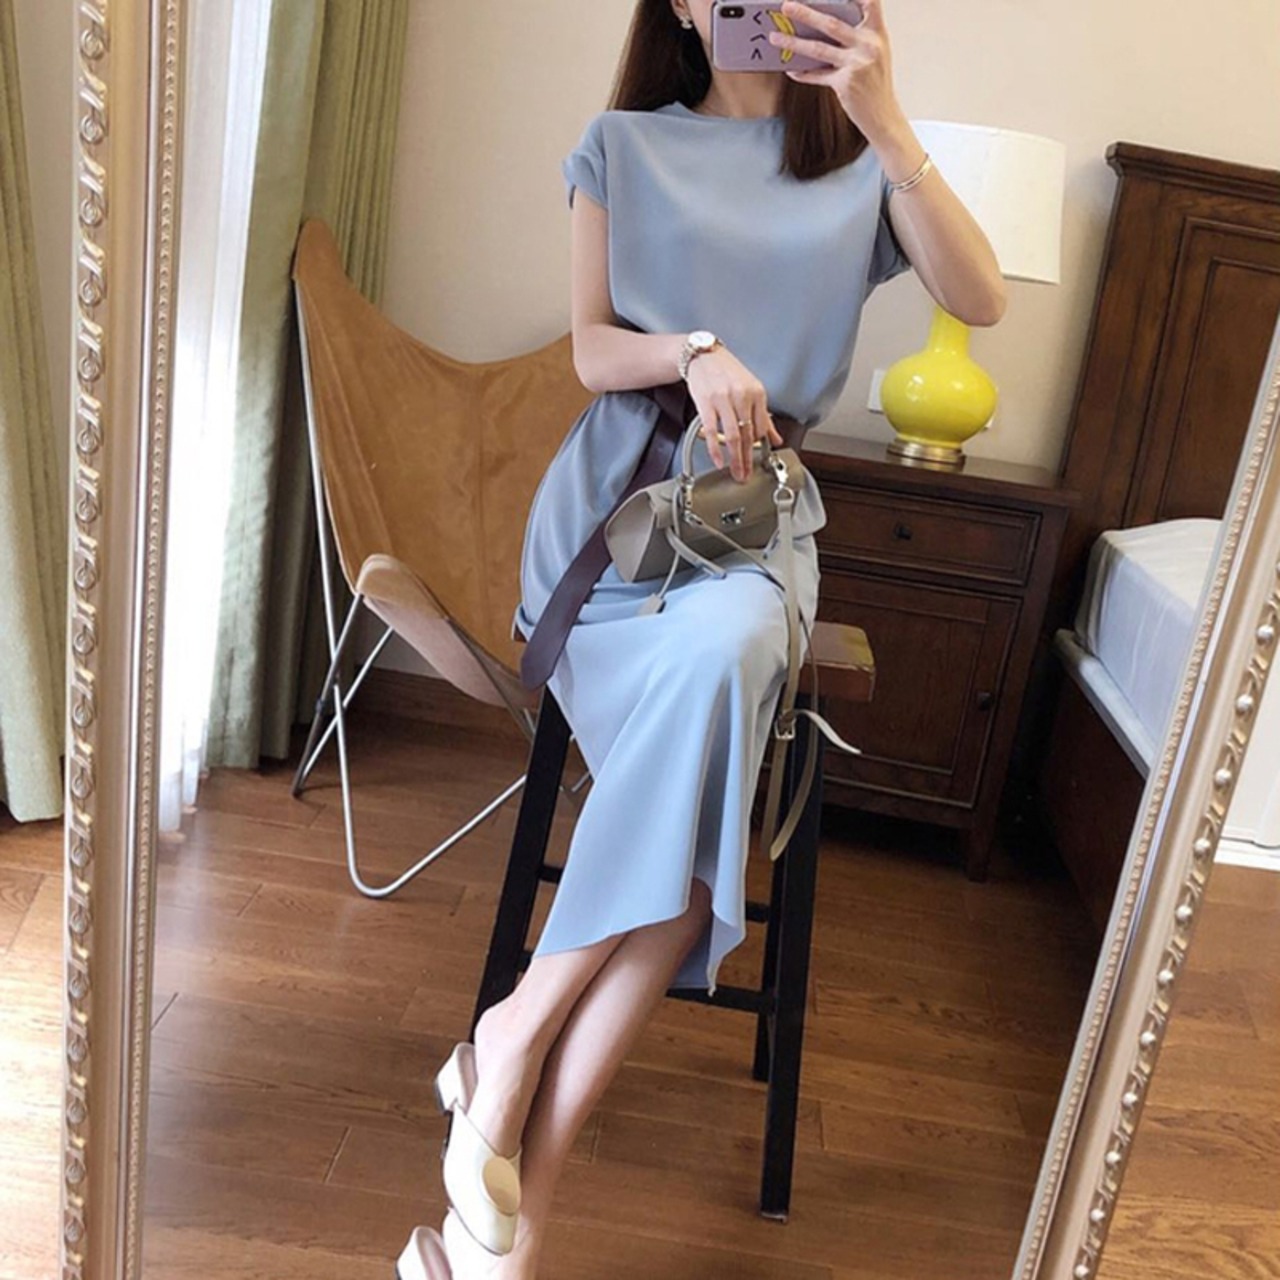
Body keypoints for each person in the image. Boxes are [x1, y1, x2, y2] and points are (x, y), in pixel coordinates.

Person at [398, 1, 1005, 1276]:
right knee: (685, 867)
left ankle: (511, 1042)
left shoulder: (858, 167)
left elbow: (980, 295)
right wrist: (695, 350)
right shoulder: (620, 144)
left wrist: (885, 116)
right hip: (613, 524)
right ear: (679, 4)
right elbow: (587, 350)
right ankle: (516, 1218)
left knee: (726, 656)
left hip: (750, 531)